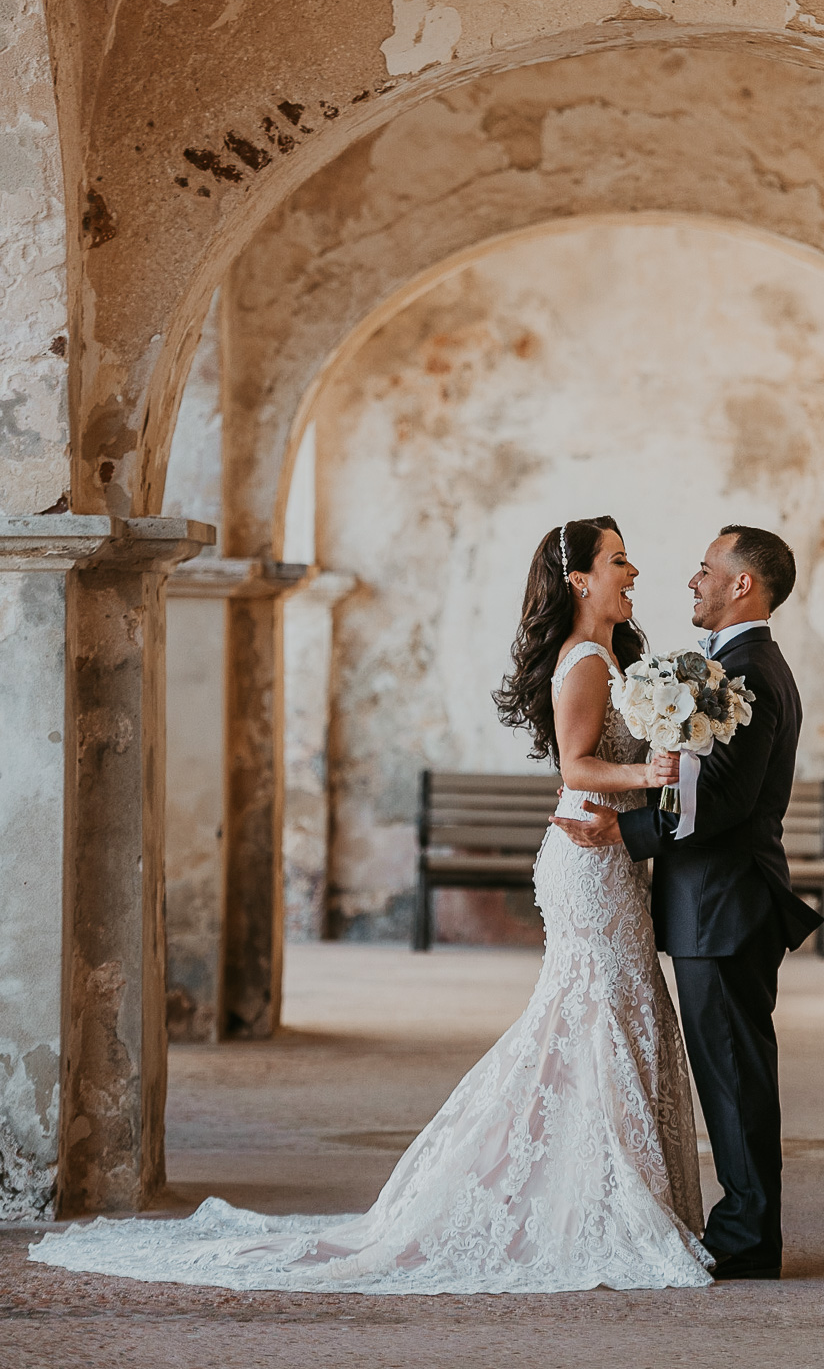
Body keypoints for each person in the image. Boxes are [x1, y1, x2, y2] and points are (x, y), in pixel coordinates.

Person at [30, 516, 710, 1296]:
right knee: (595, 1016)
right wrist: (649, 778)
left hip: (606, 858)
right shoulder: (586, 659)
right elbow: (578, 764)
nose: (634, 571)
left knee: (610, 1015)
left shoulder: (615, 656)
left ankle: (607, 1196)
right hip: (587, 864)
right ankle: (596, 1206)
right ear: (579, 580)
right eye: (619, 560)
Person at [554, 524, 820, 1281]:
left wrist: (623, 827)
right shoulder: (731, 663)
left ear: (743, 585)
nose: (692, 581)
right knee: (728, 1071)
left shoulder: (750, 671)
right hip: (713, 903)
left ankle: (746, 1237)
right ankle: (742, 1225)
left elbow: (722, 802)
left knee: (733, 1075)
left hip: (725, 905)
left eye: (707, 570)